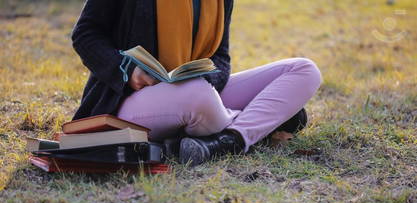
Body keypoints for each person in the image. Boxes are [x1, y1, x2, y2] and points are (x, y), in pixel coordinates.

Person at [71, 0, 322, 166]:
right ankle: (257, 124)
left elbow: (220, 58)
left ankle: (228, 141)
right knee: (199, 96)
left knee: (303, 69)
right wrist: (126, 69)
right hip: (127, 100)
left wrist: (203, 77)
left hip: (195, 90)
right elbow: (85, 34)